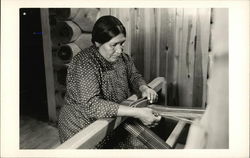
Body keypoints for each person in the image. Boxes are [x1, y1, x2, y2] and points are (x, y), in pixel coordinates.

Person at [58, 15, 161, 149]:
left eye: (122, 43)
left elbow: (134, 76)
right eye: (113, 45)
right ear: (97, 43)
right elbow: (93, 105)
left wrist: (143, 88)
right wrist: (138, 112)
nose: (119, 50)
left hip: (110, 121)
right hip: (82, 129)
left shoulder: (123, 58)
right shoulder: (84, 63)